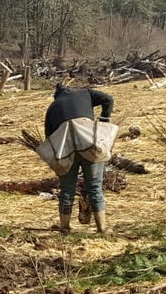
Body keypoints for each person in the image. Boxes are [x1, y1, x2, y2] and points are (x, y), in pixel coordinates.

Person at [44, 83, 114, 234]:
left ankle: (64, 228)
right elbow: (108, 99)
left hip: (67, 149)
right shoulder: (86, 93)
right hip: (90, 143)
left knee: (67, 190)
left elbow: (49, 138)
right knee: (95, 187)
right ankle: (102, 228)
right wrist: (104, 120)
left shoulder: (53, 107)